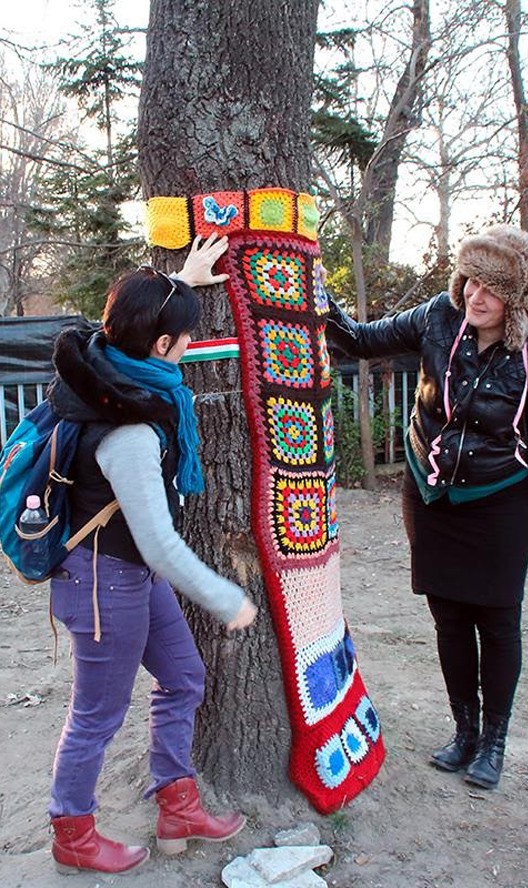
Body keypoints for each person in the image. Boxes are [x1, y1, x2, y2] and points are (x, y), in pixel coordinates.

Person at [325, 225, 528, 790]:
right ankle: (463, 733)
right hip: (430, 493)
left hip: (499, 500)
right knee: (450, 616)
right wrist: (316, 293)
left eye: (492, 288)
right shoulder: (439, 316)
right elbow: (359, 339)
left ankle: (494, 743)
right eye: (470, 280)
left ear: (520, 298)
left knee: (499, 620)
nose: (475, 296)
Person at [46, 234, 258, 875]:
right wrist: (227, 597)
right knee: (96, 715)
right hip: (103, 582)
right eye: (183, 337)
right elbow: (161, 544)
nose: (189, 347)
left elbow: (142, 325)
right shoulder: (130, 430)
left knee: (184, 677)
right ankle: (72, 834)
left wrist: (181, 283)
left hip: (127, 576)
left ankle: (177, 803)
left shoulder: (104, 364)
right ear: (161, 346)